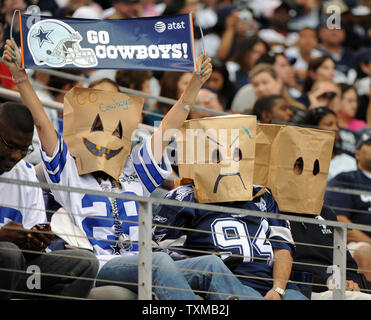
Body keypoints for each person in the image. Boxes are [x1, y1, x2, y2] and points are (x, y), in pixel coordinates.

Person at [4, 40, 252, 300]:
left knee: (210, 265)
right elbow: (42, 124)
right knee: (156, 262)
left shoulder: (135, 165)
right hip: (102, 265)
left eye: (115, 129)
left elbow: (169, 127)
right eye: (98, 126)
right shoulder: (68, 168)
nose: (107, 134)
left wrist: (195, 85)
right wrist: (21, 79)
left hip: (145, 263)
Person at [0, 101, 99, 300]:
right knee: (7, 252)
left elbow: (29, 244)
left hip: (17, 271)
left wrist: (36, 241)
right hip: (7, 259)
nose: (15, 155)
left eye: (24, 149)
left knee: (85, 263)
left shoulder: (26, 174)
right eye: (10, 145)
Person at [152, 182, 307, 300]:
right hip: (231, 280)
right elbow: (163, 255)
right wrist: (213, 260)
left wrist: (278, 289)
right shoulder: (184, 196)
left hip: (274, 284)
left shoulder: (262, 195)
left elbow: (282, 247)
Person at [286, 204, 371, 300]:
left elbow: (349, 266)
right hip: (303, 289)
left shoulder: (326, 212)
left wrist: (351, 283)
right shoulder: (276, 212)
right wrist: (328, 282)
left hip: (337, 289)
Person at [324, 129, 371, 281]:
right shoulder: (345, 179)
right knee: (366, 251)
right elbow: (339, 220)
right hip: (355, 244)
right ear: (357, 154)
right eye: (369, 144)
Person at [301, 106, 357, 181]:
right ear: (313, 128)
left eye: (337, 125)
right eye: (329, 124)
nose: (336, 128)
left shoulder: (349, 161)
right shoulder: (301, 162)